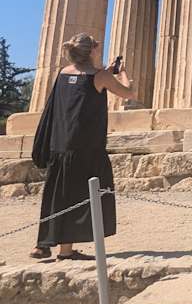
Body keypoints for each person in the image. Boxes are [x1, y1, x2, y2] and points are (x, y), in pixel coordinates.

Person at [30, 33, 135, 260]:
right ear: (93, 51)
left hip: (61, 145)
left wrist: (106, 72)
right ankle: (65, 251)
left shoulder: (63, 73)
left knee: (58, 195)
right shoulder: (100, 76)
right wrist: (124, 74)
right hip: (87, 147)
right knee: (82, 196)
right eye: (97, 45)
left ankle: (43, 245)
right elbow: (128, 93)